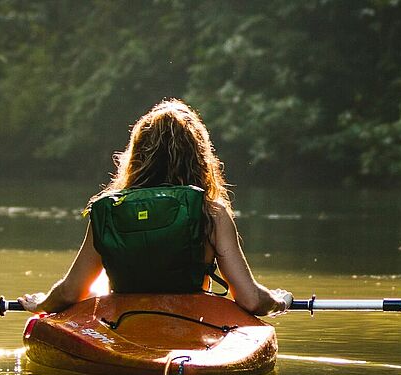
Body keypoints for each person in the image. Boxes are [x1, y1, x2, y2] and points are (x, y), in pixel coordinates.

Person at [18, 99, 291, 316]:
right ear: (199, 157)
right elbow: (251, 300)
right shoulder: (212, 213)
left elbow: (69, 293)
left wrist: (43, 303)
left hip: (123, 325)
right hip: (191, 324)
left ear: (136, 155)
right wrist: (278, 300)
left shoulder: (110, 211)